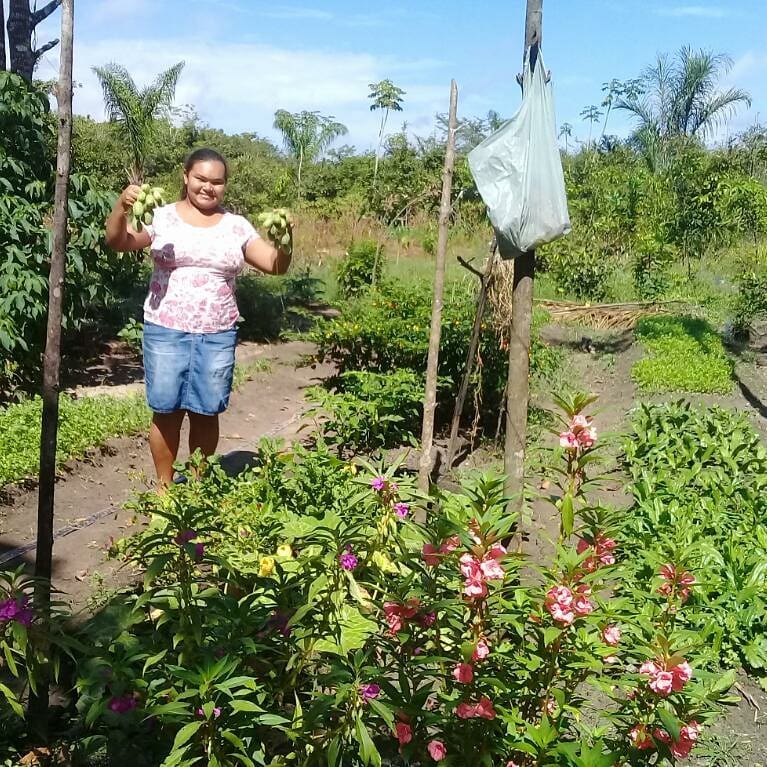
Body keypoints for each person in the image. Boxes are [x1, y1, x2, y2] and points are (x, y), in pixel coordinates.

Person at [105, 147, 292, 488]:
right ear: (186, 177)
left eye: (217, 182)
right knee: (167, 410)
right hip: (166, 328)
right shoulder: (162, 217)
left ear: (225, 186)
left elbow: (274, 265)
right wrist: (121, 207)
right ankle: (164, 487)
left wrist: (285, 241)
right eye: (201, 179)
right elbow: (119, 241)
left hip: (216, 332)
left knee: (207, 411)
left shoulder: (237, 226)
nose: (208, 187)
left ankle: (197, 484)